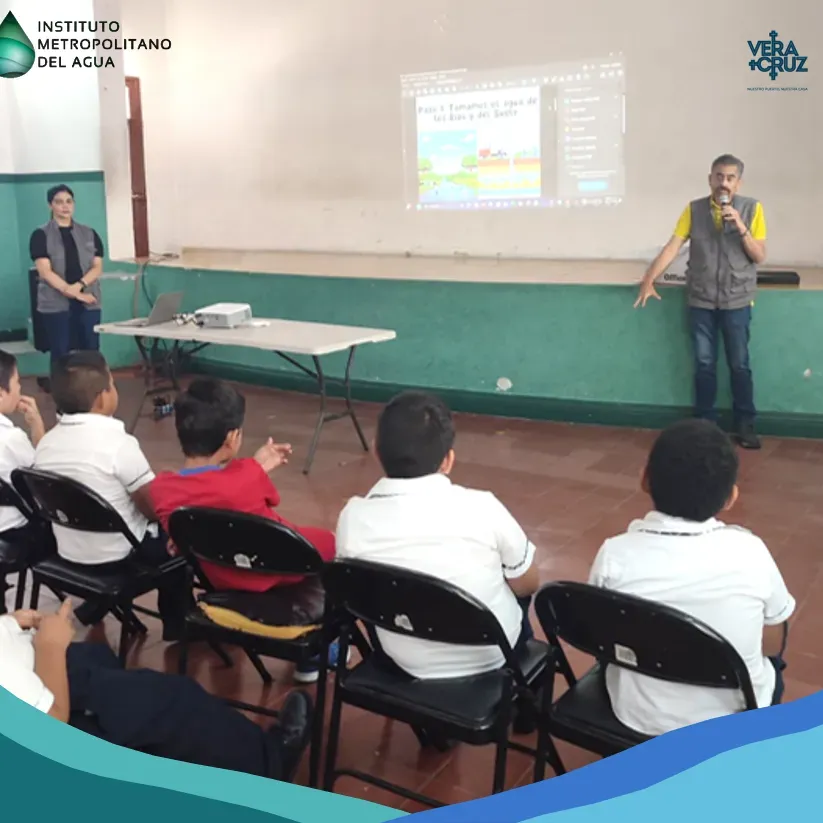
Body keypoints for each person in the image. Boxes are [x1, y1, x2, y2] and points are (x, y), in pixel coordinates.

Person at [588, 419, 794, 736]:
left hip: (636, 713)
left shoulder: (614, 554)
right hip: (731, 719)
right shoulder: (751, 552)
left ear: (644, 480)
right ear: (731, 497)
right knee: (773, 664)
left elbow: (599, 633)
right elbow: (773, 639)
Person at [336, 391, 540, 681]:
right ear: (448, 460)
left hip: (402, 658)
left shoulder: (352, 516)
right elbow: (528, 583)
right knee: (517, 588)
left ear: (376, 452)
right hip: (492, 655)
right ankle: (525, 690)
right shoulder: (483, 506)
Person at [149, 378, 340, 683]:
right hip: (274, 571)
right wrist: (256, 467)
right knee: (334, 546)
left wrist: (255, 466)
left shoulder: (162, 489)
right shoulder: (247, 475)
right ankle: (318, 653)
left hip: (218, 576)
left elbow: (210, 492)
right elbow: (255, 493)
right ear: (232, 438)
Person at [0, 599, 313, 781]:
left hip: (34, 669)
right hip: (49, 706)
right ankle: (272, 762)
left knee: (105, 666)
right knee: (176, 701)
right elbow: (49, 732)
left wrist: (9, 624)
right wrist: (51, 646)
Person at [33, 351, 188, 639]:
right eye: (112, 384)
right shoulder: (119, 445)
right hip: (120, 557)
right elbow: (153, 509)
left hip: (68, 549)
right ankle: (178, 625)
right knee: (179, 539)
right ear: (102, 398)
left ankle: (96, 606)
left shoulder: (46, 445)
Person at [635, 154, 767, 450]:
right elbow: (672, 247)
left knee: (740, 365)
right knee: (704, 364)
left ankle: (745, 424)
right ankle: (705, 426)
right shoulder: (693, 210)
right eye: (719, 176)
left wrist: (740, 225)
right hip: (701, 301)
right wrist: (649, 279)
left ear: (738, 183)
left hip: (737, 301)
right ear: (710, 179)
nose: (724, 183)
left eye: (730, 178)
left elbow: (759, 255)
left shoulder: (752, 208)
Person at [30, 185, 104, 390]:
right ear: (50, 205)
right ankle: (62, 392)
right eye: (59, 202)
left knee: (91, 348)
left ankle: (93, 389)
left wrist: (79, 287)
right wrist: (73, 293)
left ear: (74, 204)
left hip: (89, 300)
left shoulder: (89, 233)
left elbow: (97, 267)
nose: (65, 206)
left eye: (69, 201)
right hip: (55, 303)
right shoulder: (40, 235)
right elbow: (45, 271)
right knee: (61, 350)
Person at [0, 350, 50, 613]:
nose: (20, 389)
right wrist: (37, 426)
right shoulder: (10, 439)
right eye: (17, 382)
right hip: (15, 536)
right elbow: (45, 480)